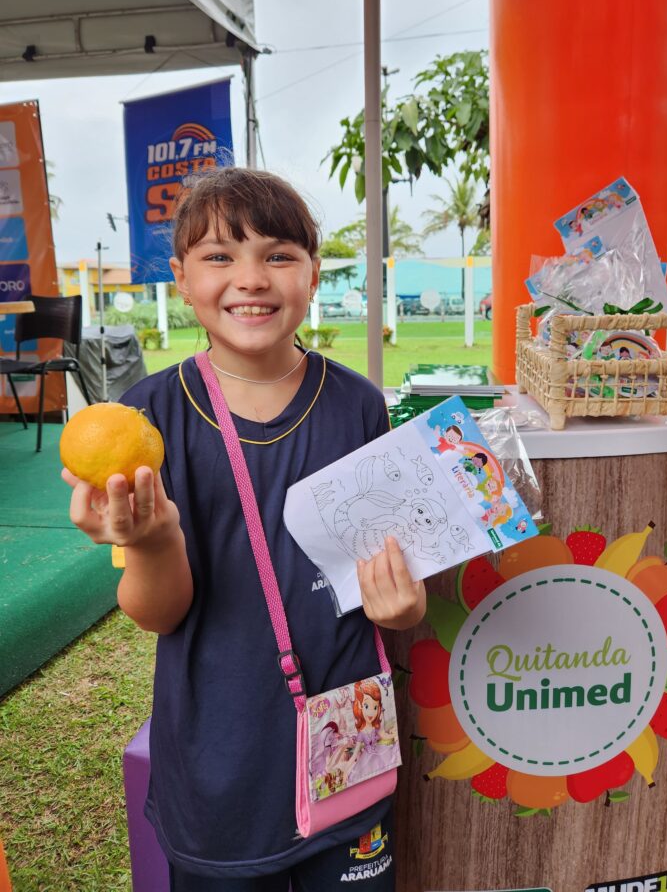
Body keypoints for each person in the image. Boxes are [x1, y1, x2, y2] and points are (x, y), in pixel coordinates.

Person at [63, 168, 426, 891]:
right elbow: (157, 612)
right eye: (221, 256)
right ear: (182, 277)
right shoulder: (147, 419)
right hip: (217, 763)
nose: (251, 278)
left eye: (280, 254)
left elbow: (388, 572)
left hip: (347, 749)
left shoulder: (356, 405)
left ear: (315, 272)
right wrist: (151, 541)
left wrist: (404, 606)